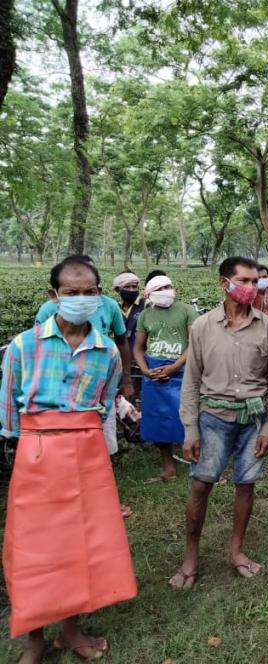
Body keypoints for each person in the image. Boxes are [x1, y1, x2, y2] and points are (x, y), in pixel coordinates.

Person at [1, 257, 137, 663]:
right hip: (37, 455)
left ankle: (70, 631)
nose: (81, 299)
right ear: (54, 296)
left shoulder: (107, 352)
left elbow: (103, 402)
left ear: (100, 296)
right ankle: (35, 639)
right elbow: (9, 414)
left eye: (89, 293)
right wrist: (27, 449)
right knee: (35, 549)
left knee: (84, 544)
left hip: (88, 455)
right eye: (71, 293)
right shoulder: (24, 346)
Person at [170, 256, 268, 589]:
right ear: (225, 283)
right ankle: (191, 555)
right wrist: (190, 427)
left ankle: (236, 551)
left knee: (245, 485)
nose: (252, 287)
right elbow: (191, 381)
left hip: (254, 419)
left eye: (256, 281)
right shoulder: (203, 327)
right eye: (245, 281)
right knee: (200, 484)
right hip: (213, 418)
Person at [35, 255, 135, 442]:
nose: (81, 297)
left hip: (98, 386)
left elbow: (122, 342)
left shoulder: (109, 307)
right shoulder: (48, 310)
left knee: (100, 440)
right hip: (57, 389)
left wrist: (126, 379)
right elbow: (37, 350)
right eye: (73, 291)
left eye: (88, 287)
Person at [134, 275, 198, 480]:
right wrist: (145, 370)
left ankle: (196, 463)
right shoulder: (145, 315)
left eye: (169, 286)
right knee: (158, 420)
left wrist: (174, 367)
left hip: (181, 371)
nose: (166, 290)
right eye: (160, 287)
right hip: (153, 372)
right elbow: (138, 347)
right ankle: (168, 466)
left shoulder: (187, 311)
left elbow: (194, 343)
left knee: (187, 417)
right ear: (150, 294)